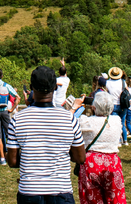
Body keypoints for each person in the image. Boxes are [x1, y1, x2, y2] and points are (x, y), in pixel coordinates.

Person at [7, 65, 85, 203]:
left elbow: (12, 161)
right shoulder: (69, 119)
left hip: (29, 190)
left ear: (31, 88)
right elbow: (80, 158)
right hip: (61, 190)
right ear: (55, 87)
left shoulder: (17, 119)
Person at [77, 91, 127, 204]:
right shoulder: (116, 120)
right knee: (115, 198)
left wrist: (77, 106)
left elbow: (71, 120)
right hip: (112, 162)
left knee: (92, 198)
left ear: (93, 107)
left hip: (91, 162)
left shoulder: (87, 122)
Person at [0, 69, 20, 166]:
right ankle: (12, 156)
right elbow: (18, 97)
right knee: (9, 134)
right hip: (5, 112)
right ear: (2, 76)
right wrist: (12, 108)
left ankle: (2, 158)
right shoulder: (7, 85)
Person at [106, 67, 129, 145]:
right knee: (122, 122)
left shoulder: (108, 82)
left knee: (115, 123)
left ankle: (118, 140)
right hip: (122, 104)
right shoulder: (123, 82)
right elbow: (127, 91)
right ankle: (125, 140)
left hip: (113, 104)